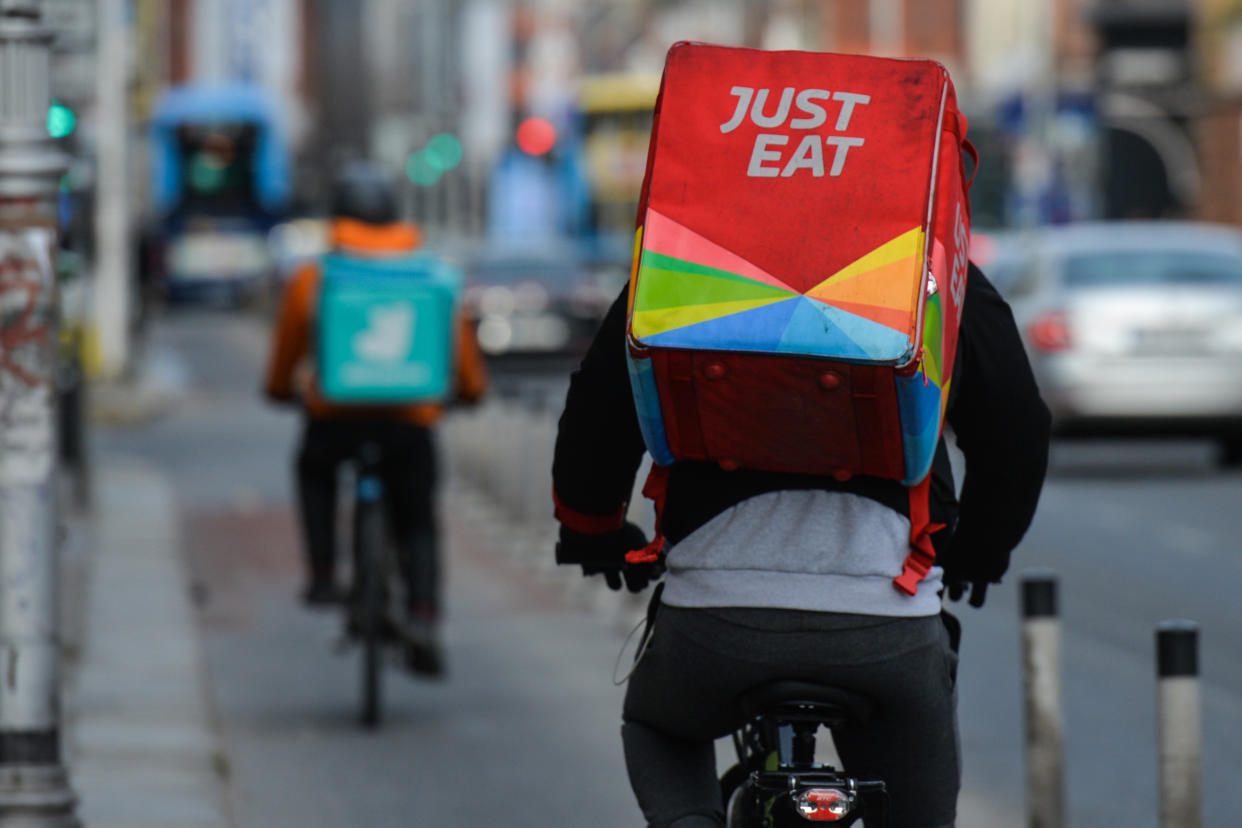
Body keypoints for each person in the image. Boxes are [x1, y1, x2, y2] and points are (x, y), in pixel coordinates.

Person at [552, 261, 1050, 827]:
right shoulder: (933, 257)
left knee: (658, 725)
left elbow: (600, 407)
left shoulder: (687, 251)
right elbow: (1016, 428)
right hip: (886, 627)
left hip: (713, 625)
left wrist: (593, 530)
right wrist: (979, 553)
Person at [264, 162, 488, 676]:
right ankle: (424, 613)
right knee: (418, 518)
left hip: (337, 418)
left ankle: (323, 573)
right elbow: (460, 356)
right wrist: (470, 393)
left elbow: (287, 356)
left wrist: (280, 390)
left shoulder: (314, 278)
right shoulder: (431, 275)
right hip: (410, 420)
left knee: (313, 469)